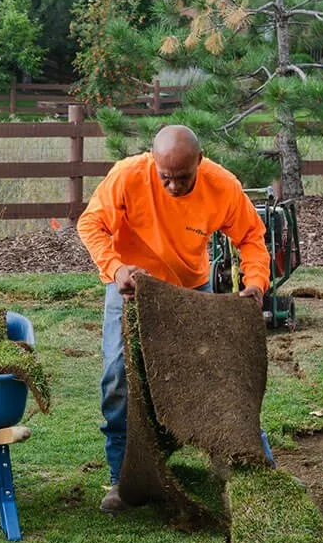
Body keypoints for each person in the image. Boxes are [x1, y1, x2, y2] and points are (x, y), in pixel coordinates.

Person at [76, 125, 270, 514]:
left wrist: (255, 283)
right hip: (132, 288)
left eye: (184, 178)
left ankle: (253, 469)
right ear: (153, 161)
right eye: (166, 178)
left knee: (219, 377)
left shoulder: (222, 186)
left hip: (189, 289)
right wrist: (116, 270)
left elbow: (251, 236)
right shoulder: (128, 176)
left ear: (200, 161)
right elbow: (90, 225)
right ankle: (122, 477)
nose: (175, 186)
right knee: (118, 378)